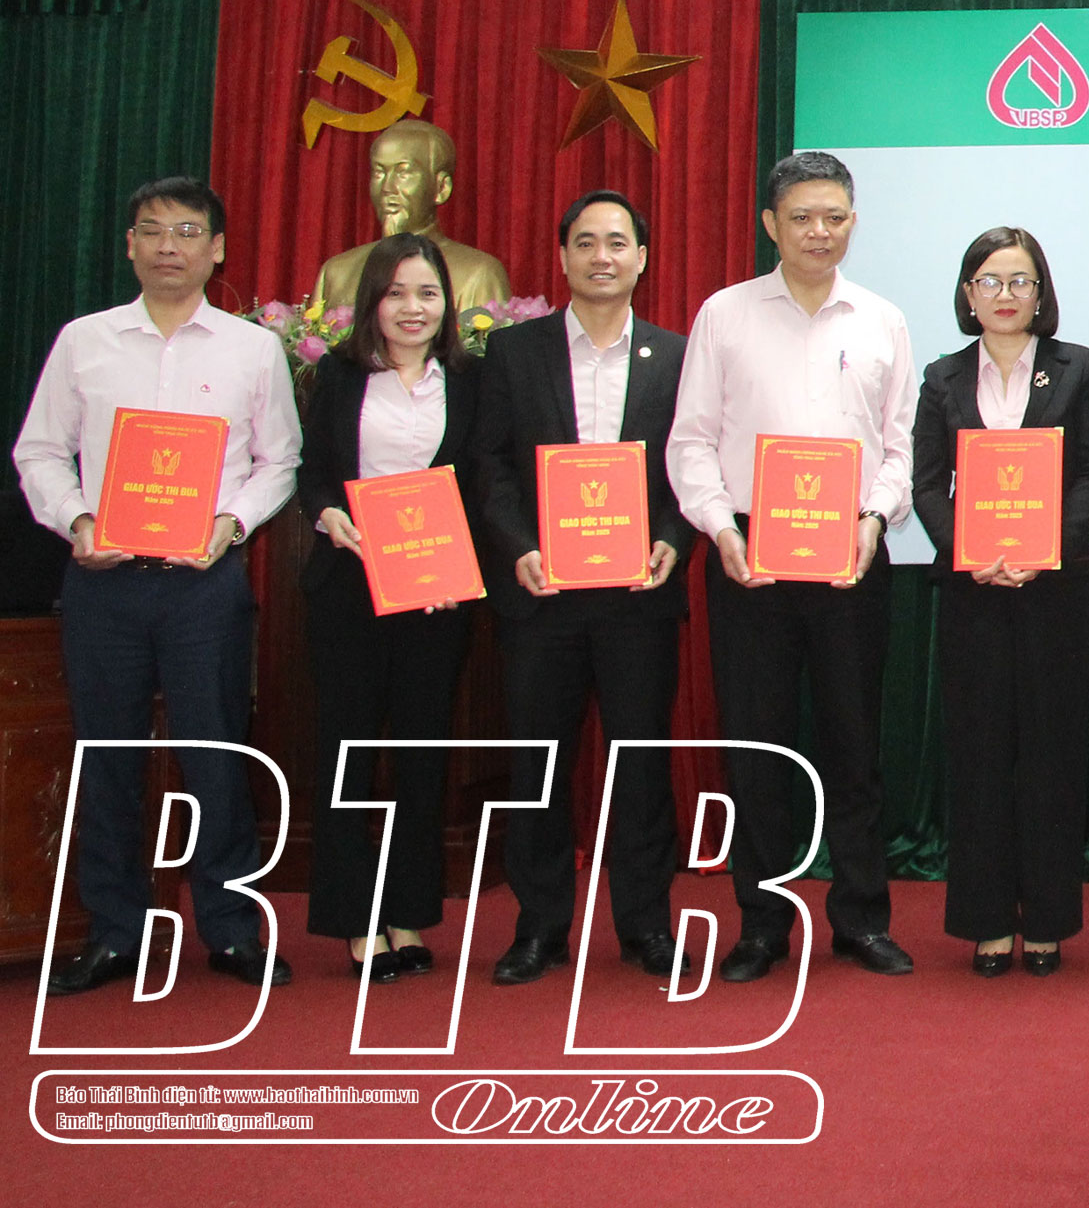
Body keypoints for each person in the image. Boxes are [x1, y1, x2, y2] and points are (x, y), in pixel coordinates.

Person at [16, 176, 300, 995]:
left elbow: (280, 458)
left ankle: (232, 929)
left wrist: (231, 524)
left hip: (203, 587)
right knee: (106, 758)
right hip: (103, 585)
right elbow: (39, 451)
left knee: (216, 754)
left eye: (186, 231)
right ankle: (116, 931)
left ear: (218, 248)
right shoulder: (84, 341)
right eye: (152, 230)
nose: (168, 246)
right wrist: (76, 519)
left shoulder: (252, 349)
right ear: (130, 245)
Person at [666, 151, 918, 982]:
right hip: (749, 558)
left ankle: (862, 918)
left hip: (851, 551)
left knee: (853, 744)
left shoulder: (882, 319)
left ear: (854, 222)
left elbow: (899, 446)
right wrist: (718, 529)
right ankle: (762, 924)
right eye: (803, 216)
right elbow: (691, 440)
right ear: (771, 223)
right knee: (757, 747)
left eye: (835, 217)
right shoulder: (725, 314)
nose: (820, 231)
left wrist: (877, 517)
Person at [467, 190, 694, 986]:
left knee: (641, 764)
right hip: (542, 595)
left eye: (618, 242)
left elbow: (694, 463)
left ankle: (646, 924)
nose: (603, 256)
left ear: (642, 258)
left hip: (639, 596)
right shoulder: (513, 352)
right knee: (538, 765)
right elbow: (489, 465)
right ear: (563, 256)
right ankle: (539, 928)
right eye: (587, 241)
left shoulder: (677, 355)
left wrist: (673, 538)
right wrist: (519, 547)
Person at [911, 226, 1089, 978]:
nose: (1005, 294)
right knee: (980, 755)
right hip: (974, 591)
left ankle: (1050, 920)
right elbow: (926, 482)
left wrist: (1045, 547)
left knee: (1052, 757)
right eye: (990, 281)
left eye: (1020, 281)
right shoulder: (941, 376)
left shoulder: (1080, 368)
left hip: (1057, 590)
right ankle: (987, 921)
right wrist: (969, 550)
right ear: (968, 294)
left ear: (1040, 292)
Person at [298, 234, 482, 983]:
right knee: (346, 751)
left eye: (428, 293)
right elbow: (313, 470)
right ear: (372, 300)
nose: (413, 308)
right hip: (349, 588)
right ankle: (355, 919)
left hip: (437, 594)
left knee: (421, 754)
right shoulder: (338, 376)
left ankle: (407, 911)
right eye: (397, 292)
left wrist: (459, 559)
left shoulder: (469, 381)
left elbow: (481, 481)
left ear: (447, 305)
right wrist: (327, 514)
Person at [310, 119, 512, 313]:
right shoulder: (337, 273)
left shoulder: (478, 274)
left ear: (441, 188)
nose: (387, 188)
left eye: (403, 173)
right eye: (379, 173)